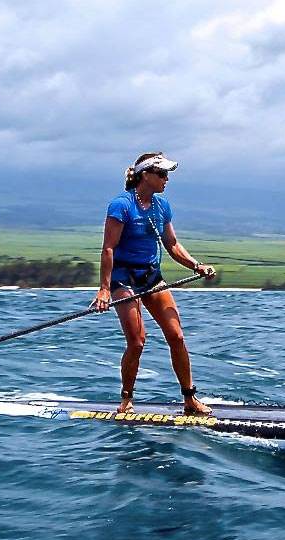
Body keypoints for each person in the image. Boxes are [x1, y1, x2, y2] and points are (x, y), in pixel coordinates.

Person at [92, 152, 217, 415]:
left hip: (151, 276)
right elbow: (108, 248)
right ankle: (126, 399)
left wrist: (196, 265)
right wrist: (104, 289)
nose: (166, 179)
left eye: (167, 174)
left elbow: (172, 244)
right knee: (137, 341)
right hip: (124, 278)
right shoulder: (121, 205)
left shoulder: (162, 206)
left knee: (176, 336)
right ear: (145, 175)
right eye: (161, 174)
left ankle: (189, 399)